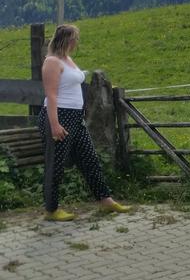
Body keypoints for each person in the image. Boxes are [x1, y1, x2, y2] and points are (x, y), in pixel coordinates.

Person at [38, 24, 130, 221]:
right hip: (58, 116)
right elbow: (51, 95)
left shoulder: (67, 60)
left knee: (90, 159)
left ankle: (105, 200)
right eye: (74, 39)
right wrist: (54, 125)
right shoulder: (52, 62)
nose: (76, 43)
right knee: (56, 163)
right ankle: (51, 210)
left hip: (75, 118)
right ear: (66, 40)